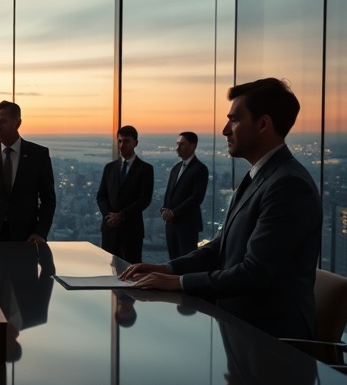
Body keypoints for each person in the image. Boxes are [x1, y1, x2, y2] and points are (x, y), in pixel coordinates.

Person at [120, 78, 321, 340]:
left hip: (272, 344)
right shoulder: (260, 177)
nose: (225, 130)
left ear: (262, 124)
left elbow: (254, 273)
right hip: (240, 330)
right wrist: (167, 269)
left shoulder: (288, 185)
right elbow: (221, 246)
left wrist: (178, 283)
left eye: (234, 120)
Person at [0, 100, 56, 244]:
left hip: (26, 236)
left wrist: (40, 233)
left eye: (3, 122)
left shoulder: (38, 155)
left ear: (17, 123)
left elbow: (48, 199)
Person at [96, 125, 154, 263]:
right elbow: (101, 196)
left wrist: (121, 216)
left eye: (126, 141)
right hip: (110, 229)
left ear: (136, 143)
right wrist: (109, 216)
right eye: (120, 141)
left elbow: (144, 199)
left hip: (131, 230)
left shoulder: (145, 169)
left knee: (131, 270)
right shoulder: (109, 168)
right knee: (108, 269)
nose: (122, 145)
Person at [160, 131, 209, 259]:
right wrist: (165, 210)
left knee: (186, 263)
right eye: (177, 144)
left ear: (193, 146)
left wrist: (173, 213)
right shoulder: (176, 168)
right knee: (173, 261)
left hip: (187, 225)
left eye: (182, 144)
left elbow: (197, 197)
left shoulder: (200, 169)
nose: (177, 148)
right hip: (171, 225)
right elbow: (169, 193)